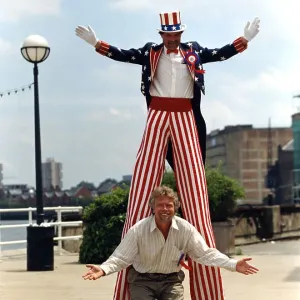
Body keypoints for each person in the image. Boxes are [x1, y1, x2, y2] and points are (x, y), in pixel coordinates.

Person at [75, 11, 260, 300]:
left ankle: (208, 292)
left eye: (177, 35)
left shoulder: (193, 52)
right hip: (157, 114)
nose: (173, 39)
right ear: (162, 35)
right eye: (169, 35)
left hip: (186, 115)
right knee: (141, 184)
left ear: (181, 35)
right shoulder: (151, 52)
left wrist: (244, 40)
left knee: (196, 189)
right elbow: (123, 55)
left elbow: (221, 53)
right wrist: (97, 43)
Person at [82, 186, 259, 300]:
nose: (165, 209)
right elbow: (121, 257)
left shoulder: (185, 229)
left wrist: (233, 264)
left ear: (175, 208)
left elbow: (205, 253)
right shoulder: (138, 230)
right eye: (160, 205)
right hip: (142, 280)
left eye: (169, 205)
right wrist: (103, 269)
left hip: (171, 281)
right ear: (152, 208)